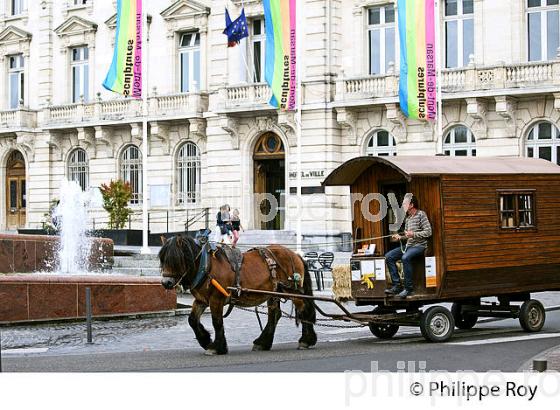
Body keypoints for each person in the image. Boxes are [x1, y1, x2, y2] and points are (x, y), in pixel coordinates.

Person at [384, 194, 432, 298]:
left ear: (411, 205)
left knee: (405, 257)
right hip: (408, 246)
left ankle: (408, 289)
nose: (403, 206)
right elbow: (407, 235)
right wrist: (400, 237)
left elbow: (428, 232)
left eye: (405, 204)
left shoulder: (421, 215)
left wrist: (413, 234)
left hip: (419, 246)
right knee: (389, 256)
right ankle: (397, 286)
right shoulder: (408, 219)